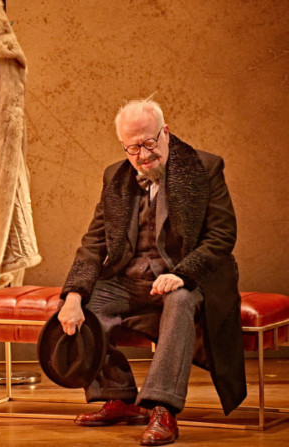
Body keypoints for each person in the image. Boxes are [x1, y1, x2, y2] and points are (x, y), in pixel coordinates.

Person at [57, 98, 245, 445]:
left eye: (149, 142)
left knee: (180, 300)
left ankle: (163, 409)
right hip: (131, 279)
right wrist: (73, 295)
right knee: (86, 302)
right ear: (123, 145)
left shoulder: (204, 167)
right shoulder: (115, 176)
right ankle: (118, 397)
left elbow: (222, 235)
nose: (143, 155)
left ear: (166, 133)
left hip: (188, 277)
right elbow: (94, 242)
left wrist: (183, 274)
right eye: (133, 147)